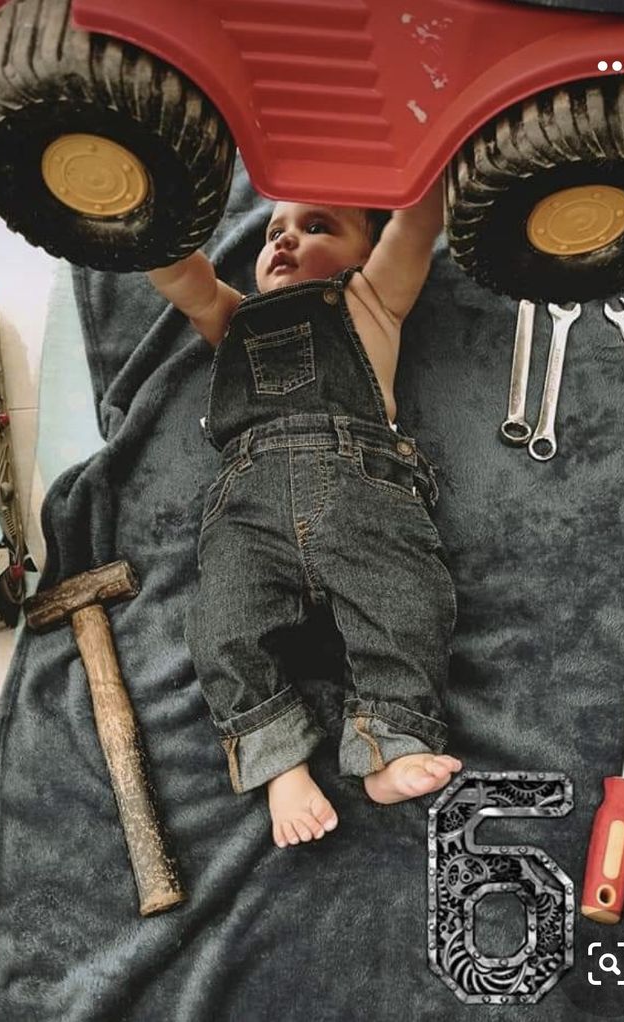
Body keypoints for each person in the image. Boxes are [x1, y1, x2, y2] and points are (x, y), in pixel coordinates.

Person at [148, 181, 462, 849]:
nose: (283, 238)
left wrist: (426, 171)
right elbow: (181, 277)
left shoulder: (369, 302)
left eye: (317, 225)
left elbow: (412, 230)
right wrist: (137, 223)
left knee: (409, 604)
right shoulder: (233, 316)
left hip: (363, 488)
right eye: (271, 234)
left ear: (366, 254)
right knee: (222, 626)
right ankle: (280, 764)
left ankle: (389, 746)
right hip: (248, 508)